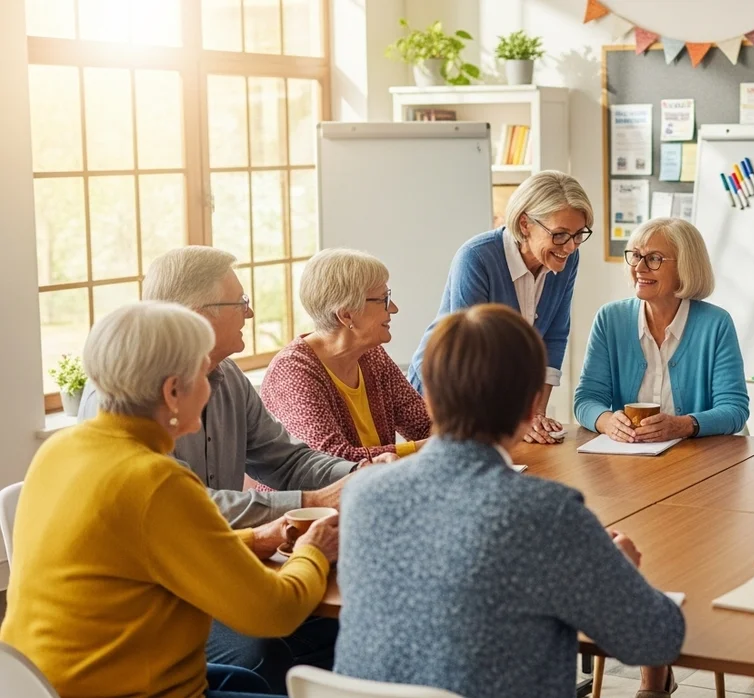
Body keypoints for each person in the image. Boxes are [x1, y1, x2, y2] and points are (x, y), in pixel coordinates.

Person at [337, 303, 685, 697]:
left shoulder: (363, 495)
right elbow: (656, 640)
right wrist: (622, 576)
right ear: (533, 405)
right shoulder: (545, 512)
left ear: (428, 398)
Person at [1, 302, 338, 698]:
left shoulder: (59, 451)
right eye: (204, 372)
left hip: (40, 682)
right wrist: (314, 551)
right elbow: (275, 612)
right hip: (127, 690)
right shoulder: (157, 481)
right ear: (172, 391)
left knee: (244, 680)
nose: (213, 384)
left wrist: (252, 539)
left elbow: (145, 552)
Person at [78, 247, 358, 692]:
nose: (250, 311)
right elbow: (270, 606)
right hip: (140, 644)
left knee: (330, 632)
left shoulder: (223, 379)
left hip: (177, 589)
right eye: (239, 303)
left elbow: (283, 460)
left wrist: (355, 477)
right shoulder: (140, 458)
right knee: (271, 644)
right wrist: (313, 542)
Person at [407, 170, 592, 445]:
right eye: (560, 235)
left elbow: (554, 335)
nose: (570, 246)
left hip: (499, 403)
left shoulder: (566, 260)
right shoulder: (477, 256)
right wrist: (516, 418)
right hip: (447, 391)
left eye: (579, 235)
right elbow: (471, 352)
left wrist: (536, 414)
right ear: (525, 223)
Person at [576, 218, 748, 443]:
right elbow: (587, 399)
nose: (639, 268)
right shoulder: (610, 319)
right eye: (636, 256)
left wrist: (683, 425)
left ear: (685, 266)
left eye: (654, 259)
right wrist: (607, 421)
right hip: (630, 457)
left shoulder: (716, 324)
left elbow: (734, 409)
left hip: (699, 460)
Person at [261, 248, 431, 461]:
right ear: (346, 314)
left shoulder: (372, 354)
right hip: (322, 493)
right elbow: (332, 459)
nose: (394, 309)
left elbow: (424, 424)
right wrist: (427, 447)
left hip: (371, 486)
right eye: (383, 300)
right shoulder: (293, 372)